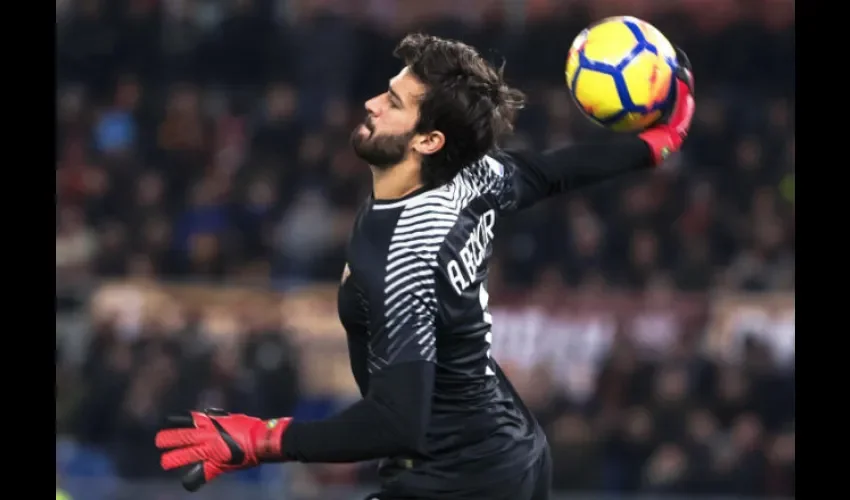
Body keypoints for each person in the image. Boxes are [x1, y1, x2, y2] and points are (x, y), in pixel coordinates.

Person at [154, 33, 695, 500]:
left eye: (392, 101)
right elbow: (548, 172)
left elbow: (396, 422)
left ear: (429, 140)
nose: (370, 103)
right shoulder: (469, 178)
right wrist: (657, 144)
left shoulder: (406, 255)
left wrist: (261, 439)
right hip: (507, 452)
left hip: (460, 479)